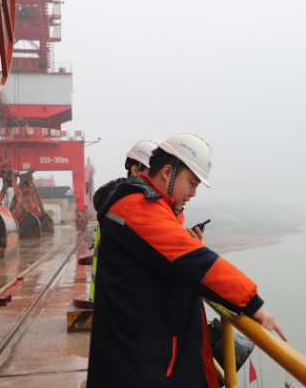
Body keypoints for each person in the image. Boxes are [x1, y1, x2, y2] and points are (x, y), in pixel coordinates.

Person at [87, 133, 286, 388]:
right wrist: (253, 303)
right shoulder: (138, 207)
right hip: (139, 364)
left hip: (139, 351)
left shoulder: (143, 205)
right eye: (191, 183)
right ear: (167, 172)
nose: (193, 193)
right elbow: (196, 261)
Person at [85, 140, 160, 302]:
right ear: (136, 170)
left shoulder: (112, 200)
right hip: (119, 300)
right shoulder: (133, 207)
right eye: (154, 172)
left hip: (104, 296)